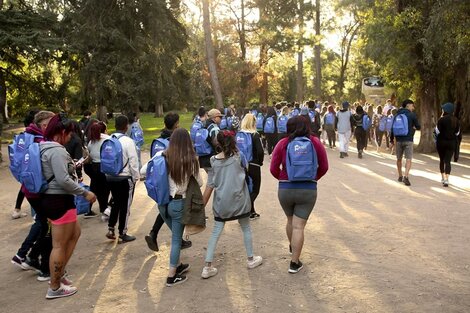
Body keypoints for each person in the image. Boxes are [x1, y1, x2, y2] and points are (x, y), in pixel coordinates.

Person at [40, 113, 97, 299]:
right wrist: (85, 192)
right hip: (59, 200)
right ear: (61, 132)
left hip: (57, 200)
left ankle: (60, 274)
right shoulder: (55, 150)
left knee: (75, 233)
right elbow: (63, 180)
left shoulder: (44, 147)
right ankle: (54, 286)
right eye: (69, 133)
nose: (71, 137)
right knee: (59, 245)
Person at [270, 116, 329, 273]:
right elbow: (324, 166)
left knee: (290, 221)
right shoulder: (315, 142)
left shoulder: (282, 143)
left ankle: (292, 247)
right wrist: (313, 178)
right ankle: (294, 263)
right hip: (307, 189)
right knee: (299, 226)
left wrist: (283, 178)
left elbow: (273, 168)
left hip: (285, 189)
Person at [201, 130, 263, 279]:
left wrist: (200, 207)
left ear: (218, 143)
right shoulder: (238, 157)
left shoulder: (213, 161)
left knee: (216, 231)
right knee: (246, 228)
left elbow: (210, 185)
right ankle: (250, 259)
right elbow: (246, 169)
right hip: (240, 201)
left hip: (222, 204)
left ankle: (207, 266)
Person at [145, 128, 202, 286]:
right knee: (177, 240)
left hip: (163, 203)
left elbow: (145, 171)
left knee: (176, 237)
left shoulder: (162, 156)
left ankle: (178, 266)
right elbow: (200, 183)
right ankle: (171, 276)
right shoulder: (191, 160)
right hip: (180, 203)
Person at [10, 111, 55, 278]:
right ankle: (43, 266)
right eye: (51, 124)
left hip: (28, 188)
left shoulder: (25, 137)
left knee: (42, 224)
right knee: (47, 228)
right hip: (39, 190)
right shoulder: (40, 141)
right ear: (43, 125)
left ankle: (29, 257)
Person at [144, 113, 192, 251]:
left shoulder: (159, 140)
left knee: (164, 207)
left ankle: (153, 233)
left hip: (159, 181)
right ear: (176, 124)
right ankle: (177, 242)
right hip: (172, 184)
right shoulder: (175, 141)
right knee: (171, 208)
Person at [105, 115, 140, 242]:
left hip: (110, 177)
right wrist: (136, 177)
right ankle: (122, 233)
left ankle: (111, 228)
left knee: (116, 203)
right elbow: (133, 161)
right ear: (126, 126)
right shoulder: (128, 141)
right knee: (125, 206)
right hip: (124, 178)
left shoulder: (109, 139)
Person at [239, 113, 264, 220]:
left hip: (241, 164)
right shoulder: (255, 135)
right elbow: (260, 151)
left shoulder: (239, 134)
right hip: (253, 164)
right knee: (255, 190)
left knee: (247, 189)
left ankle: (251, 212)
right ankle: (245, 210)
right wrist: (260, 162)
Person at [390, 99, 421, 186]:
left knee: (399, 159)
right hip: (408, 140)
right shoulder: (412, 115)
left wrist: (392, 140)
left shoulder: (397, 115)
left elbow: (392, 128)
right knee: (408, 159)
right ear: (408, 105)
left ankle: (400, 175)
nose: (413, 108)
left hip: (399, 140)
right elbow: (418, 127)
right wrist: (414, 127)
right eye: (412, 105)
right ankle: (406, 176)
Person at [84, 121, 111, 218]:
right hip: (105, 166)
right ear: (105, 129)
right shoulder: (108, 139)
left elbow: (89, 154)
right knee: (105, 189)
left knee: (95, 186)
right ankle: (104, 208)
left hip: (94, 166)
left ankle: (89, 209)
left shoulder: (92, 141)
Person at [436, 103, 460, 187]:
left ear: (445, 110)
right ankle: (447, 179)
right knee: (448, 161)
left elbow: (437, 131)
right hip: (451, 143)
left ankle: (442, 177)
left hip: (441, 142)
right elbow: (457, 133)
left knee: (442, 160)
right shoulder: (456, 120)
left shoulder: (441, 120)